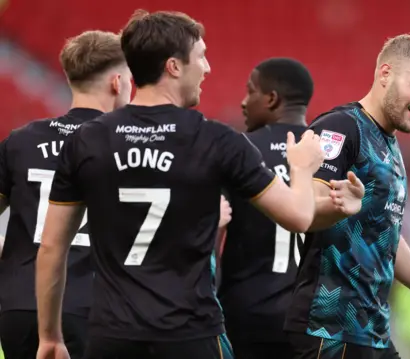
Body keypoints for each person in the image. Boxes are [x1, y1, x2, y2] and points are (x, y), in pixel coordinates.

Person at [34, 10, 360, 359]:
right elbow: (297, 217)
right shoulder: (217, 140)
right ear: (174, 66)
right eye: (201, 57)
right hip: (191, 334)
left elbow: (52, 247)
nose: (207, 69)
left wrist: (50, 337)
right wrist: (301, 166)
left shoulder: (87, 140)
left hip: (112, 336)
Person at [284, 33, 410, 359]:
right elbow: (304, 212)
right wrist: (339, 208)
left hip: (373, 331)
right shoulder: (341, 127)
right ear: (385, 74)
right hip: (329, 330)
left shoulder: (391, 147)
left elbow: (386, 238)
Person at [0, 30, 132, 359]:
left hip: (19, 305)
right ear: (118, 82)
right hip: (91, 306)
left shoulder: (21, 140)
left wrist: (13, 257)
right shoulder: (129, 148)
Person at [217, 57, 314, 359]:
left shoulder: (239, 150)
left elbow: (211, 231)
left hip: (247, 314)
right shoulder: (328, 153)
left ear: (272, 99)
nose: (244, 102)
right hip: (313, 319)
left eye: (251, 92)